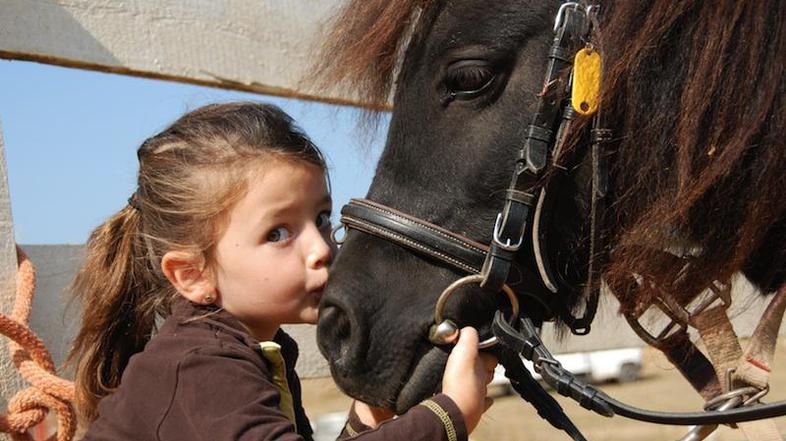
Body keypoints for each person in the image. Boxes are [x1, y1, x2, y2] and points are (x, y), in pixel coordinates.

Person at [68, 102, 496, 441]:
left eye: (323, 218)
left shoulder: (249, 347)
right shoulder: (200, 366)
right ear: (192, 275)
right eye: (277, 233)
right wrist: (449, 414)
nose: (320, 248)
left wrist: (368, 420)